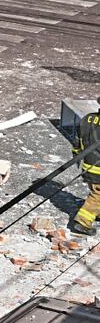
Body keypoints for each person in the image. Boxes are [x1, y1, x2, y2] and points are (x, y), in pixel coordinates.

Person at [70, 101, 100, 236]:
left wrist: (76, 156)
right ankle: (82, 222)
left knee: (95, 192)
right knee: (98, 194)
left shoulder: (88, 118)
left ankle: (96, 212)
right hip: (98, 167)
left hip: (88, 165)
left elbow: (77, 140)